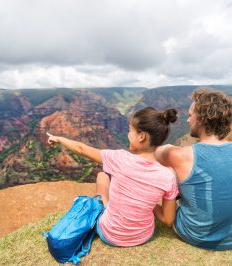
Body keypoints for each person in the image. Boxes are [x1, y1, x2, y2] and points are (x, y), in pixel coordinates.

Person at [47, 107, 179, 247]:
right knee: (106, 177)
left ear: (142, 136)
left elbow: (82, 149)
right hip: (142, 237)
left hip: (110, 234)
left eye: (130, 131)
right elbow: (168, 220)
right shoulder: (167, 176)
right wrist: (146, 203)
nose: (128, 135)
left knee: (102, 176)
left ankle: (101, 206)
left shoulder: (119, 158)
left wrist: (59, 139)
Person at [155, 88, 232, 250]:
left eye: (190, 116)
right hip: (229, 239)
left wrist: (169, 147)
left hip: (196, 236)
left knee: (170, 173)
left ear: (202, 119)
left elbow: (155, 152)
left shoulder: (181, 155)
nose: (187, 121)